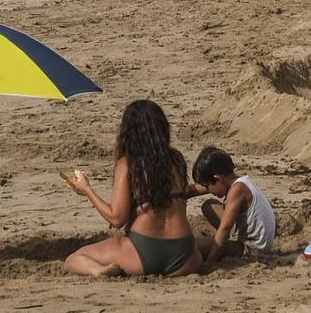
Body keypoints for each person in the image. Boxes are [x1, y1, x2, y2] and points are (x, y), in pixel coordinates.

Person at [62, 100, 202, 278]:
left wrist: (87, 190)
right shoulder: (176, 159)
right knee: (200, 244)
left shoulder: (128, 164)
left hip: (144, 251)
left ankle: (99, 271)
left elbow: (117, 218)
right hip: (185, 256)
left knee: (75, 259)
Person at [189, 146, 277, 264]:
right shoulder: (238, 181)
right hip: (254, 242)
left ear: (218, 178)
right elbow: (198, 189)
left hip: (253, 249)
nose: (207, 190)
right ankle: (229, 241)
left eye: (207, 186)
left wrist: (210, 262)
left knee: (194, 245)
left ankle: (226, 245)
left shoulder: (237, 190)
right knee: (208, 205)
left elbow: (225, 229)